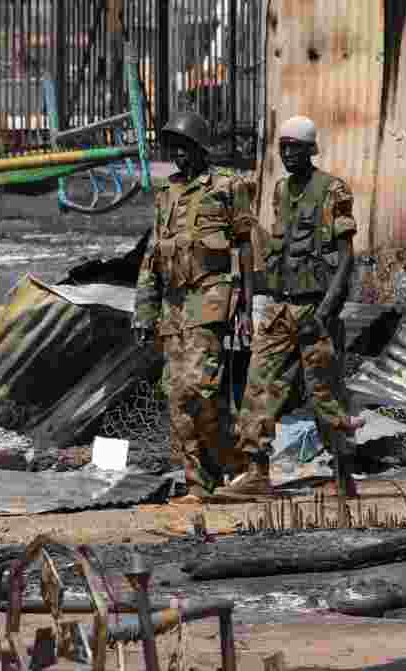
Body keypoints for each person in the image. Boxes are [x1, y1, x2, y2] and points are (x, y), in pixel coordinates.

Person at [225, 115, 365, 496]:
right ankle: (256, 471)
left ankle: (341, 474)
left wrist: (324, 313)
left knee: (325, 392)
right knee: (259, 384)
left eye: (295, 147)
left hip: (315, 310)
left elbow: (346, 256)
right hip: (279, 308)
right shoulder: (279, 191)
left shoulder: (333, 190)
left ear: (310, 149)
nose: (287, 154)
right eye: (283, 147)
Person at [134, 111, 257, 499]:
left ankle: (239, 468)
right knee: (177, 395)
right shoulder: (166, 194)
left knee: (201, 388)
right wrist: (144, 310)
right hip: (173, 306)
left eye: (186, 149)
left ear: (201, 149)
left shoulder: (227, 186)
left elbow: (246, 246)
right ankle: (198, 482)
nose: (179, 157)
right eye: (175, 150)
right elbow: (152, 256)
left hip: (212, 299)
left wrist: (248, 306)